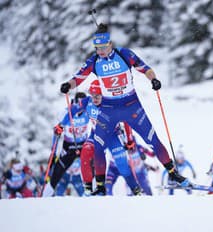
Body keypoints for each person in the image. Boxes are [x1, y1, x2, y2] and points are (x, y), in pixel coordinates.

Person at [59, 23, 190, 195]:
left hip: (131, 105)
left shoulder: (124, 54)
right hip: (109, 108)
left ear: (110, 44)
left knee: (153, 140)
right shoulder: (94, 61)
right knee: (98, 147)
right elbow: (78, 78)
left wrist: (154, 80)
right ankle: (100, 187)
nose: (100, 51)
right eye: (97, 48)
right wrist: (68, 85)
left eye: (103, 47)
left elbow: (145, 68)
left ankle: (173, 173)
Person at [42, 92, 89, 197]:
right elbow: (56, 131)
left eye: (84, 104)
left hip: (83, 145)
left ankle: (95, 195)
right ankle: (45, 196)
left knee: (93, 167)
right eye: (80, 104)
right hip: (69, 147)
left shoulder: (88, 111)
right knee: (57, 173)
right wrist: (53, 151)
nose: (82, 107)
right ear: (75, 102)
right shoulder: (66, 112)